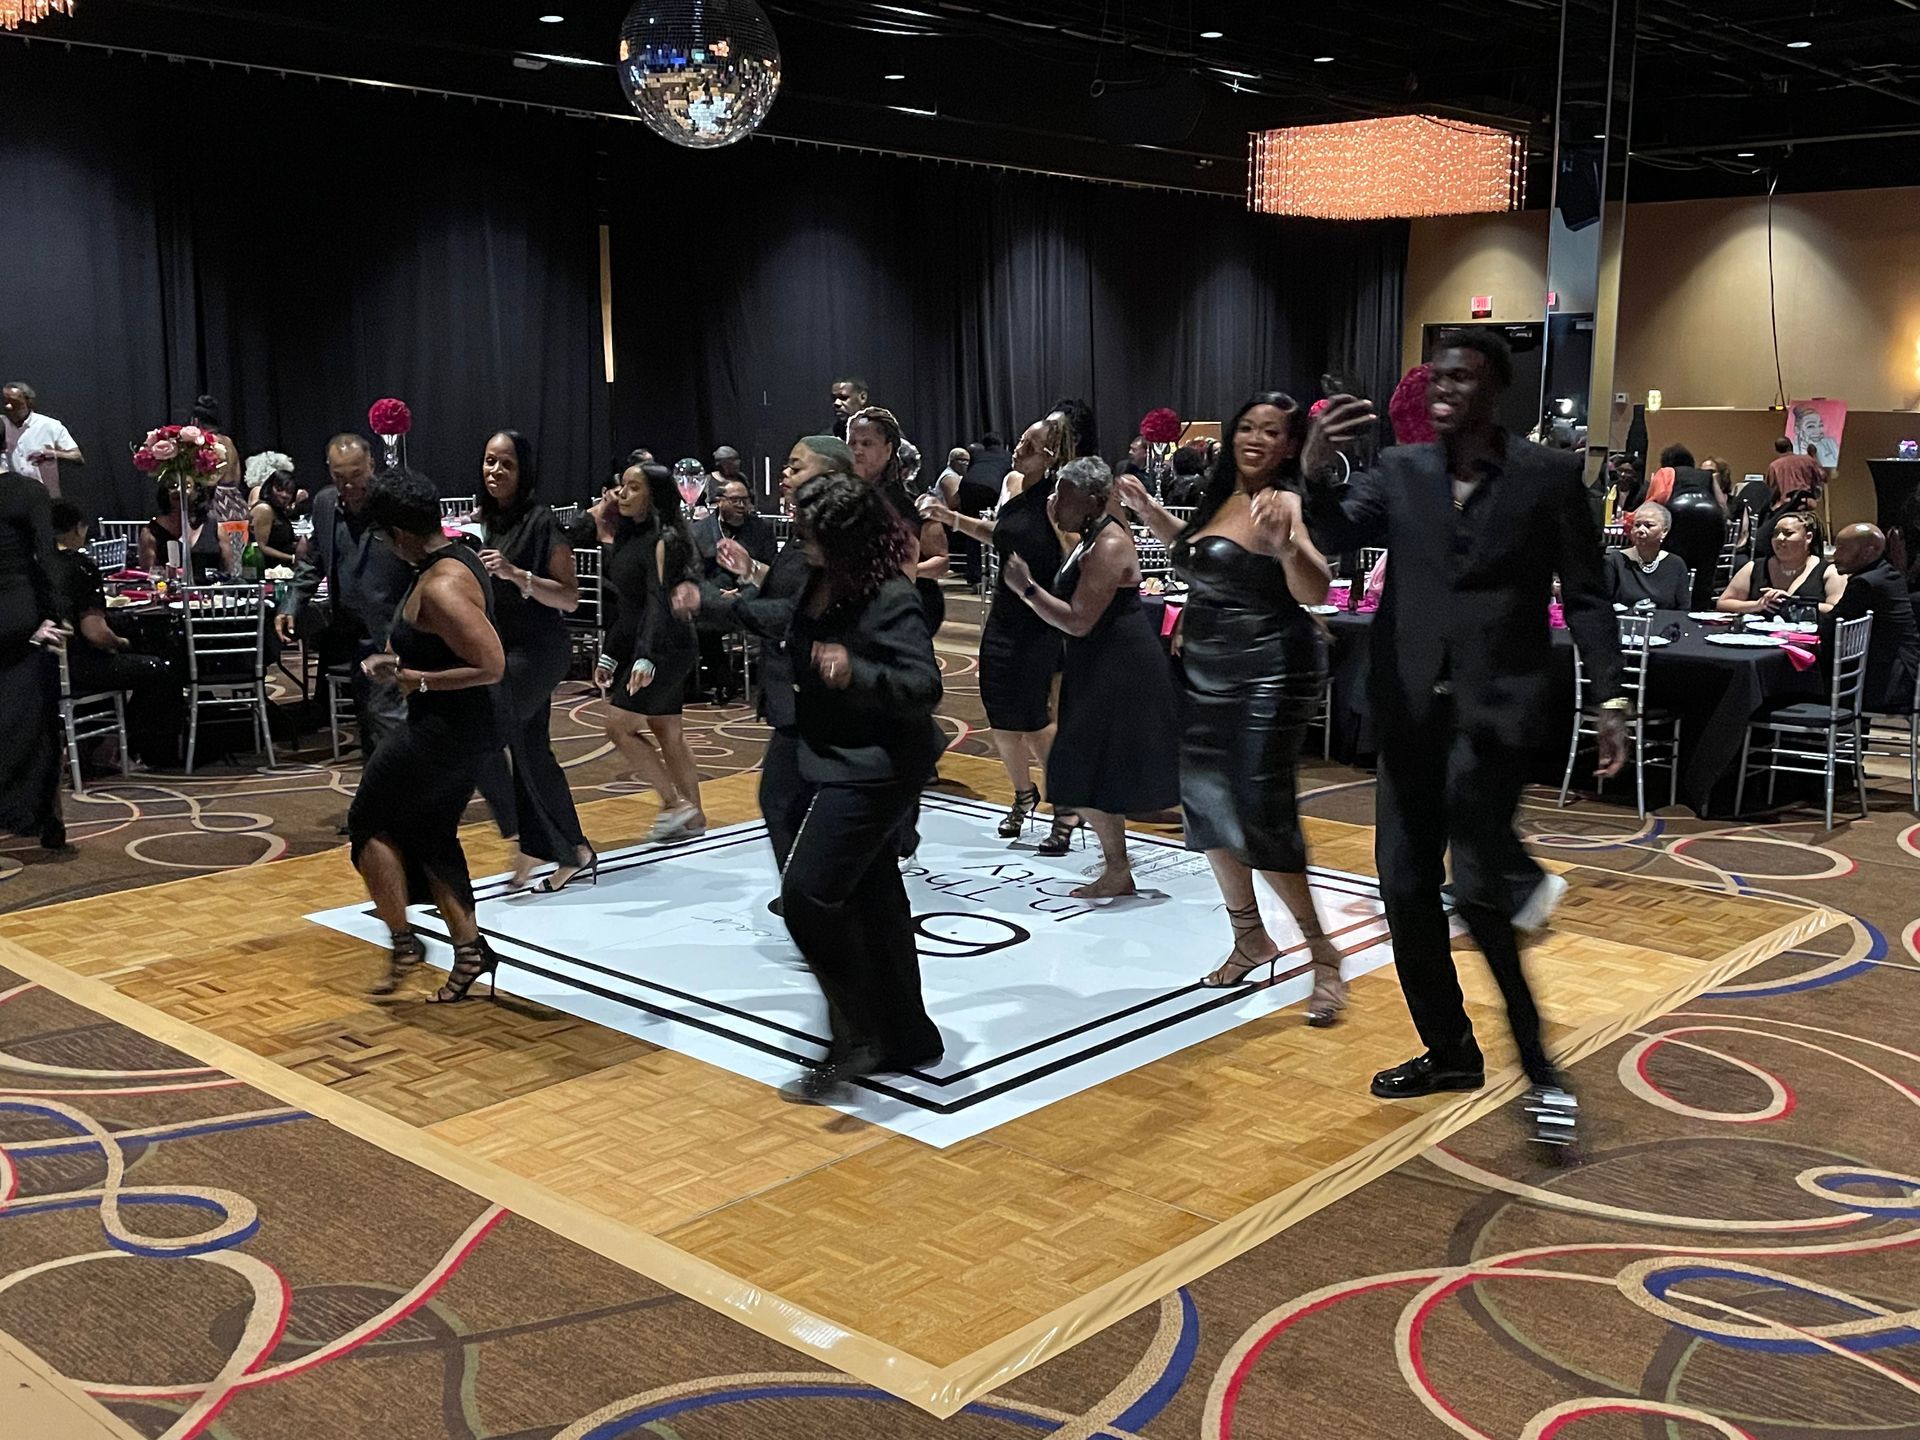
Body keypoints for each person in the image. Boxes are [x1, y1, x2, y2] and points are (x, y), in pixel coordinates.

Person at [1305, 330, 1626, 1152]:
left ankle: (1541, 1068)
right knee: (1404, 887)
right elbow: (1335, 533)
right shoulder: (1403, 469)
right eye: (1436, 375)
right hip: (1408, 712)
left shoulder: (1549, 478)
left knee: (1478, 894)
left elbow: (1588, 596)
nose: (1442, 387)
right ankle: (1449, 1052)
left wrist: (1610, 698)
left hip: (1496, 714)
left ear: (1495, 391)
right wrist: (1313, 463)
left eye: (1461, 376)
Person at [1120, 393, 1349, 1026]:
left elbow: (1316, 587)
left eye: (1270, 431)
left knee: (1257, 809)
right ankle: (1250, 935)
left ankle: (1324, 955)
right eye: (1246, 426)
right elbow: (1200, 554)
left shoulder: (1284, 501)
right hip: (1205, 668)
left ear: (1288, 444)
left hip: (1270, 669)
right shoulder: (1222, 494)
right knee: (1203, 799)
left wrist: (1284, 549)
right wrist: (1148, 511)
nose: (1254, 438)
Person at [778, 473, 945, 1103]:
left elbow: (923, 686)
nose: (805, 545)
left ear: (848, 539)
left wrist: (858, 671)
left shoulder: (888, 596)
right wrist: (714, 600)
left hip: (880, 765)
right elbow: (782, 617)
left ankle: (855, 1032)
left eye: (816, 536)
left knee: (809, 896)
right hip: (840, 756)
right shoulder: (826, 579)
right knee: (875, 902)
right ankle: (906, 1037)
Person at [346, 468, 506, 1002]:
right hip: (461, 728)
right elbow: (450, 648)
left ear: (401, 533)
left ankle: (403, 942)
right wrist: (399, 662)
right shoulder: (453, 557)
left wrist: (418, 679)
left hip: (445, 731)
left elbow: (491, 664)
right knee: (434, 835)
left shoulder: (441, 585)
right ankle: (470, 951)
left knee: (367, 823)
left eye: (383, 535)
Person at [677, 436, 851, 914]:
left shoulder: (837, 536)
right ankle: (816, 898)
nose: (784, 476)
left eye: (796, 467)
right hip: (802, 697)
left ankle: (814, 902)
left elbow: (790, 613)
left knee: (784, 800)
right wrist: (754, 570)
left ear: (830, 476)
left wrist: (707, 601)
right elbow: (790, 590)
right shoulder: (811, 530)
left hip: (819, 699)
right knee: (795, 802)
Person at [1003, 457, 1180, 899]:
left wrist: (1027, 589)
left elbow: (1079, 620)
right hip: (1097, 664)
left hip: (1119, 668)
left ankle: (1120, 867)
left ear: (1093, 501)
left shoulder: (1109, 544)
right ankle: (1117, 868)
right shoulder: (1089, 536)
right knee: (1086, 770)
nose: (1053, 499)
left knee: (1082, 768)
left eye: (1063, 493)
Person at [919, 417, 1069, 847]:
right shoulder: (1016, 487)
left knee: (1034, 717)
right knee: (1000, 710)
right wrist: (951, 517)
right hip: (1004, 616)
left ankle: (1064, 805)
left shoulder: (1058, 501)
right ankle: (1023, 794)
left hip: (1039, 618)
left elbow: (1072, 554)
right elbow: (998, 535)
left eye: (1029, 444)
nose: (1018, 448)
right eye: (1021, 441)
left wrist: (1042, 592)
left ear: (1050, 455)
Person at [468, 430, 596, 894]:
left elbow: (569, 597)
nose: (495, 472)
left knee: (483, 731)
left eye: (506, 464)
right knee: (532, 752)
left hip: (540, 651)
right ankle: (570, 849)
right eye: (489, 462)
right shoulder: (484, 521)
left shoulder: (541, 523)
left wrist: (516, 574)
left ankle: (529, 838)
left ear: (523, 473)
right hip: (503, 650)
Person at [276, 434, 415, 757]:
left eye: (356, 476)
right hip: (348, 634)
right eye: (340, 477)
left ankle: (398, 796)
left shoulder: (395, 506)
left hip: (391, 631)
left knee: (389, 721)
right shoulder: (325, 503)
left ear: (372, 465)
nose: (349, 486)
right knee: (369, 719)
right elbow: (314, 561)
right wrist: (292, 602)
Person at [595, 461, 706, 843]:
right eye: (621, 486)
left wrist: (645, 656)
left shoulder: (666, 540)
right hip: (650, 641)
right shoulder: (627, 537)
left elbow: (658, 603)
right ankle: (694, 816)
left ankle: (674, 804)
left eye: (633, 488)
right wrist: (611, 653)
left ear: (655, 496)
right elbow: (628, 607)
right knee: (666, 729)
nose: (622, 493)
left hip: (667, 646)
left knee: (618, 725)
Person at [48, 501, 170, 720]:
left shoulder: (36, 564)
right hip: (80, 667)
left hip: (45, 668)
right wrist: (122, 643)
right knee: (158, 670)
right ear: (78, 528)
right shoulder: (80, 566)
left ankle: (103, 738)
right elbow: (95, 633)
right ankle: (139, 741)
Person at [0, 459, 67, 849]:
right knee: (37, 719)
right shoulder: (27, 491)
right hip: (18, 616)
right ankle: (45, 820)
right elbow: (47, 556)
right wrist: (55, 615)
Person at [847, 407, 949, 631]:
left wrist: (905, 573)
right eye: (852, 443)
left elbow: (941, 560)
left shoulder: (917, 504)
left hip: (908, 608)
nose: (857, 450)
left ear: (888, 449)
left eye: (866, 443)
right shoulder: (843, 500)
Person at [689, 476, 779, 703]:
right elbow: (696, 574)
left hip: (749, 596)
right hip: (712, 597)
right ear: (720, 501)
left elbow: (770, 571)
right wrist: (716, 595)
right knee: (696, 615)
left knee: (705, 621)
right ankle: (715, 680)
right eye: (735, 500)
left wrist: (741, 593)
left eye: (745, 500)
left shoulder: (760, 529)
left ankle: (722, 679)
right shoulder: (698, 531)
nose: (742, 505)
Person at [1831, 522, 1920, 713]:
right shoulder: (1888, 573)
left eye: (1842, 549)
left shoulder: (1866, 583)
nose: (1835, 556)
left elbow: (1831, 626)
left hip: (1888, 684)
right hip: (1907, 672)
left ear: (1868, 552)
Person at [1717, 512, 1844, 617]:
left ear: (1808, 537)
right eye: (1776, 533)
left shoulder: (1829, 572)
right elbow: (1723, 603)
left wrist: (1795, 603)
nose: (1779, 538)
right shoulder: (1754, 567)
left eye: (1788, 533)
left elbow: (1838, 610)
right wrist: (1757, 605)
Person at [1648, 445, 1727, 610]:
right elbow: (1722, 504)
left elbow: (1656, 500)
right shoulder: (1707, 475)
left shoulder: (1666, 472)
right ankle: (1701, 610)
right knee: (1706, 569)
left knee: (1673, 564)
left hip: (1679, 513)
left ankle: (1674, 608)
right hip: (1711, 515)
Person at [2, 382, 83, 499]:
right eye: (5, 402)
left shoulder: (50, 425)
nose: (8, 407)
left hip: (43, 496)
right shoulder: (2, 425)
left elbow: (77, 456)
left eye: (14, 402)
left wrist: (52, 454)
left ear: (28, 402)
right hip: (9, 496)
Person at [1606, 502, 1691, 609]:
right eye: (1637, 525)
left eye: (1648, 525)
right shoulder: (1615, 561)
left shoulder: (1676, 564)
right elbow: (1604, 604)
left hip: (1665, 624)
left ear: (1664, 531)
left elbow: (1683, 609)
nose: (1640, 530)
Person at [139, 479, 223, 579]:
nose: (178, 490)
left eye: (186, 486)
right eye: (173, 486)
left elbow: (229, 571)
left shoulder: (216, 528)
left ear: (197, 492)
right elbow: (148, 574)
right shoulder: (151, 532)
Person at [249, 467, 300, 568]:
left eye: (289, 492)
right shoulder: (264, 509)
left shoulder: (277, 510)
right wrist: (292, 558)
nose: (284, 495)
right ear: (269, 487)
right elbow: (261, 547)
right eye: (279, 489)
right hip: (268, 568)